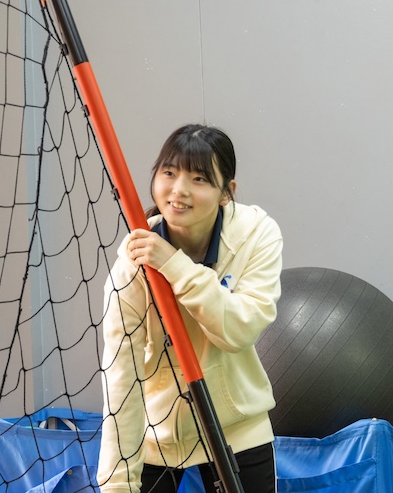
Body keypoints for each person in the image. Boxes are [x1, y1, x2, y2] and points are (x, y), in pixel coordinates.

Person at [96, 124, 283, 493]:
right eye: (169, 173)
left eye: (198, 178)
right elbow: (121, 376)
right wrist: (117, 484)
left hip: (237, 429)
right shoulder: (132, 264)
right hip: (155, 437)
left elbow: (238, 330)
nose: (178, 190)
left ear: (226, 193)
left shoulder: (257, 235)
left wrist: (174, 265)